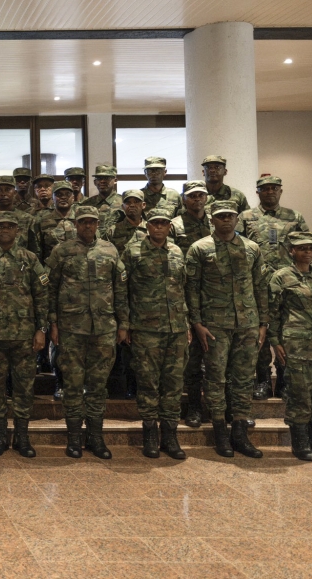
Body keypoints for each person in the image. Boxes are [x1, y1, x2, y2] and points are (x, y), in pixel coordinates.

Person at [185, 200, 268, 458]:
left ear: (237, 219)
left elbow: (260, 287)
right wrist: (196, 323)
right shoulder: (199, 248)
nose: (226, 220)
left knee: (244, 379)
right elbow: (191, 289)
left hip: (247, 324)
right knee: (215, 378)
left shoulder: (252, 249)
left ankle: (240, 433)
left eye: (230, 216)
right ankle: (220, 433)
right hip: (214, 326)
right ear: (212, 219)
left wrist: (263, 323)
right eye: (221, 216)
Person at [47, 205, 128, 460]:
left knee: (97, 386)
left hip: (104, 328)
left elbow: (120, 290)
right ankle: (73, 438)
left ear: (98, 224)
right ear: (75, 224)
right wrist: (53, 323)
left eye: (92, 222)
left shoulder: (109, 250)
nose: (87, 226)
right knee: (72, 384)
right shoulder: (62, 251)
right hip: (72, 327)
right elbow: (50, 289)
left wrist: (123, 323)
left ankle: (95, 436)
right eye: (83, 222)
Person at [0, 211, 49, 458]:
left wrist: (41, 329)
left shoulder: (30, 258)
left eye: (10, 226)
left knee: (25, 387)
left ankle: (22, 438)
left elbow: (42, 295)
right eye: (1, 226)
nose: (5, 230)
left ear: (17, 231)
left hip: (24, 336)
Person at [120, 209, 189, 459]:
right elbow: (122, 289)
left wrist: (187, 324)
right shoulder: (133, 251)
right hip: (145, 328)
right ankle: (149, 433)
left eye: (163, 224)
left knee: (173, 384)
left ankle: (170, 435)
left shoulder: (178, 252)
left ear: (169, 227)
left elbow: (183, 288)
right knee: (148, 382)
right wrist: (125, 324)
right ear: (147, 226)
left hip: (176, 328)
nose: (159, 227)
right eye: (154, 223)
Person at [268, 232, 312, 462]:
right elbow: (274, 313)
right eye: (302, 248)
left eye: (311, 248)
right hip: (298, 346)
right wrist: (276, 341)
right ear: (292, 251)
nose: (308, 252)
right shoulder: (282, 277)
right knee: (300, 397)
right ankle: (300, 443)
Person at [240, 175, 309, 402]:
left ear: (281, 191)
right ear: (257, 192)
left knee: (284, 333)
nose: (270, 192)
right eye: (265, 189)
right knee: (258, 334)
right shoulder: (246, 217)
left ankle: (283, 381)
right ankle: (261, 379)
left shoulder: (294, 216)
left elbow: (305, 248)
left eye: (274, 188)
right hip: (256, 285)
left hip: (287, 285)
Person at [172, 180, 213, 427]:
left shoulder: (215, 221)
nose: (197, 199)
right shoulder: (175, 226)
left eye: (201, 195)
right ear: (184, 199)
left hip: (215, 298)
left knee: (218, 361)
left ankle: (221, 408)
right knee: (192, 360)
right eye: (192, 196)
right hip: (184, 296)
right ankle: (194, 408)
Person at [101, 188, 147, 400]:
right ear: (122, 206)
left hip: (146, 294)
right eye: (128, 202)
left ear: (143, 205)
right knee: (121, 341)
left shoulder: (152, 228)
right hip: (119, 292)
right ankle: (124, 384)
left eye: (136, 202)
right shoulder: (112, 231)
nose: (132, 205)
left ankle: (141, 384)